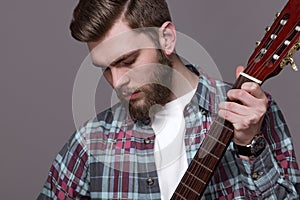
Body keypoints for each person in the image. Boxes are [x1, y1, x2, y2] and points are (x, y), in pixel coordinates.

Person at [38, 0, 300, 199]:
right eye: (105, 69)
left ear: (167, 39)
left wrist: (250, 147)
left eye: (127, 61)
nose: (117, 82)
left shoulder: (250, 113)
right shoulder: (91, 141)